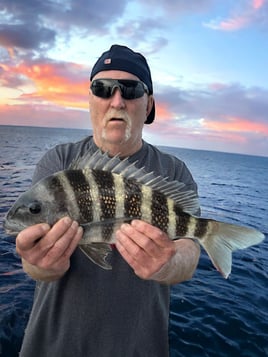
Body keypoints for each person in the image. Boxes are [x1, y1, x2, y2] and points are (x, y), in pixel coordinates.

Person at [16, 44, 200, 357]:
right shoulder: (59, 161)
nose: (117, 100)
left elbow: (190, 252)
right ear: (90, 100)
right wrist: (41, 264)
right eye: (102, 89)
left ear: (149, 104)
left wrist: (169, 263)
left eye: (131, 89)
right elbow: (34, 266)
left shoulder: (173, 172)